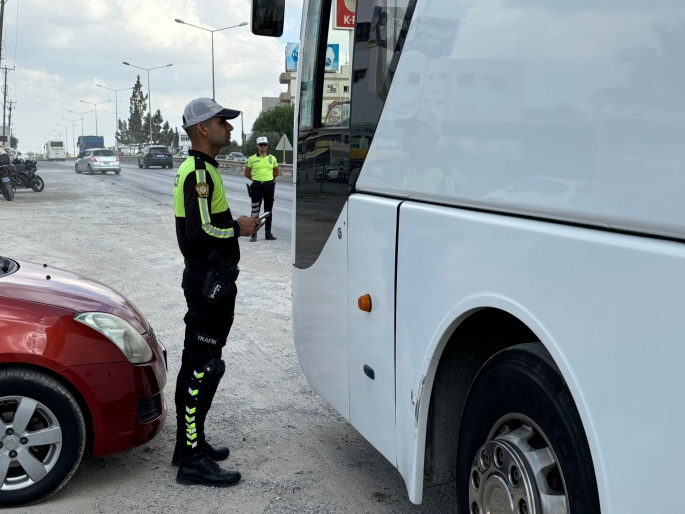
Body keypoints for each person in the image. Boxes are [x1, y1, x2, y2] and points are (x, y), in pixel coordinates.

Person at [172, 98, 262, 487]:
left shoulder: (203, 168)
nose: (229, 126)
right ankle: (192, 459)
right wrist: (239, 228)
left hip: (212, 281)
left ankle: (188, 445)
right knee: (202, 367)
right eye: (221, 121)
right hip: (208, 283)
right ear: (202, 129)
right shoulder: (198, 172)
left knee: (198, 361)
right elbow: (199, 231)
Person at [244, 136, 279, 242]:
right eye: (261, 145)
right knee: (255, 212)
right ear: (257, 146)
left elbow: (276, 172)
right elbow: (246, 173)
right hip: (256, 187)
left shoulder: (272, 158)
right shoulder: (252, 159)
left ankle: (268, 233)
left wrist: (268, 180)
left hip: (269, 186)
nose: (263, 147)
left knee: (268, 211)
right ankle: (253, 234)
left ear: (267, 146)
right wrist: (256, 179)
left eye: (265, 145)